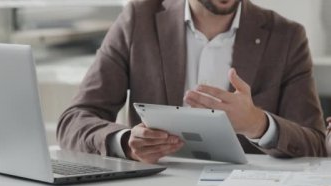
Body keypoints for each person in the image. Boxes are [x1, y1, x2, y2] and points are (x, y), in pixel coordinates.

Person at [57, 0, 327, 164]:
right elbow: (74, 119)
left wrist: (258, 124)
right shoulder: (138, 20)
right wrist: (125, 142)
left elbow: (315, 143)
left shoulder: (286, 37)